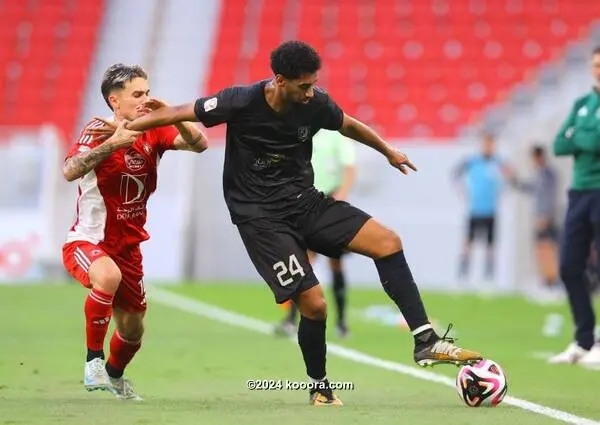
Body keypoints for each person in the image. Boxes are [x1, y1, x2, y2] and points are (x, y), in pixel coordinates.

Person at [87, 41, 482, 405]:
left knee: (388, 241)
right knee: (313, 304)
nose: (311, 92)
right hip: (260, 219)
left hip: (305, 202)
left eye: (313, 85)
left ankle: (425, 341)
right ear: (279, 81)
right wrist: (127, 129)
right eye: (303, 85)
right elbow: (176, 113)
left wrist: (388, 151)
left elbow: (348, 123)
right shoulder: (239, 100)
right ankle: (320, 388)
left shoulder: (314, 104)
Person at [62, 64, 207, 399]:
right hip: (88, 240)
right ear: (115, 101)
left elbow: (199, 144)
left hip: (128, 248)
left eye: (147, 91)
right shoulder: (97, 132)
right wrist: (112, 144)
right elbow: (70, 170)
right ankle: (93, 361)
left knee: (133, 330)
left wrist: (173, 114)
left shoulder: (153, 131)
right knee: (107, 278)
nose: (145, 99)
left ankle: (113, 376)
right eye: (137, 94)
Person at [275, 129, 356, 338]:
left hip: (328, 201)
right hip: (306, 203)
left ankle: (341, 323)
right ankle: (293, 319)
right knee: (303, 261)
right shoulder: (300, 132)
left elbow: (349, 167)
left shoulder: (335, 135)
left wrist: (342, 194)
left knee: (335, 262)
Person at [548, 47, 600, 366]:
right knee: (568, 266)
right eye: (595, 64)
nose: (598, 69)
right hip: (579, 193)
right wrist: (586, 137)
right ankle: (584, 340)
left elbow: (588, 143)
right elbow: (559, 144)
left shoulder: (582, 113)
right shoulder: (582, 103)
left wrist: (580, 136)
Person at [452, 134, 513, 283]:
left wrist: (503, 191)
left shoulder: (498, 162)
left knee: (490, 245)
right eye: (486, 143)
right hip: (475, 209)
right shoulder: (472, 161)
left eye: (491, 144)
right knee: (468, 242)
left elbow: (512, 177)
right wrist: (462, 192)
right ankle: (463, 273)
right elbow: (455, 174)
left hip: (491, 210)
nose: (488, 147)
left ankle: (488, 276)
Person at [511, 146, 561, 299]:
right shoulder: (540, 174)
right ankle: (547, 280)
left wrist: (545, 216)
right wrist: (513, 179)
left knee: (548, 249)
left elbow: (550, 196)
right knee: (541, 249)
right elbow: (528, 188)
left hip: (546, 218)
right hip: (541, 217)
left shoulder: (548, 174)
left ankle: (552, 281)